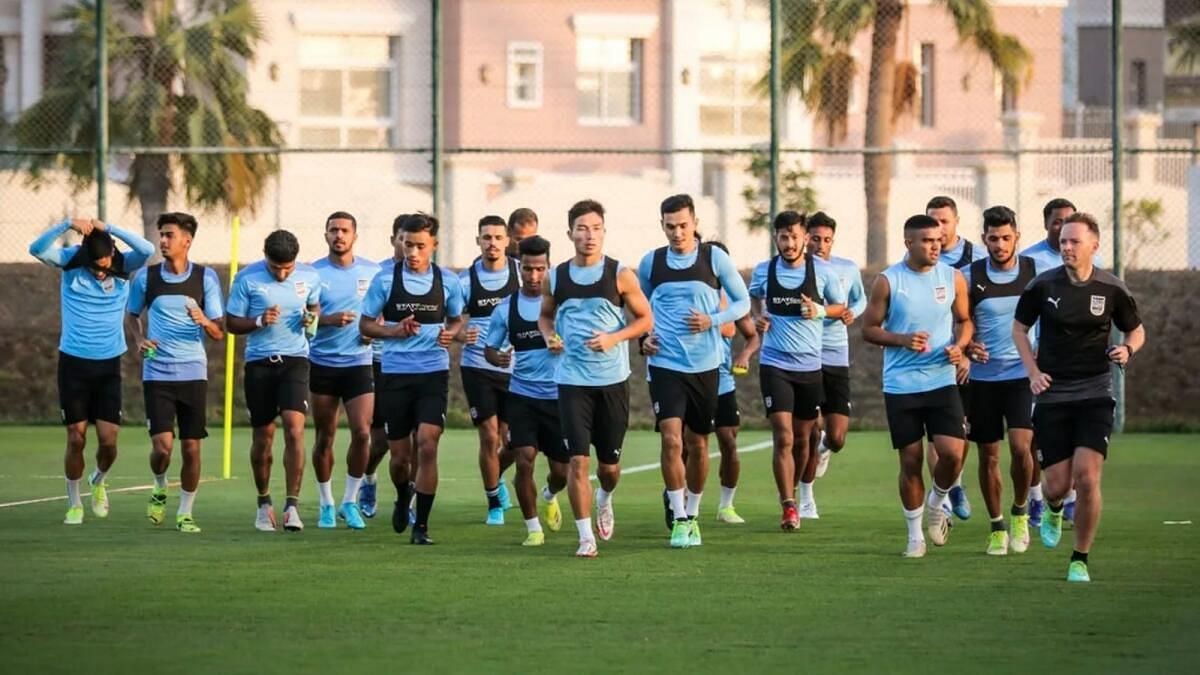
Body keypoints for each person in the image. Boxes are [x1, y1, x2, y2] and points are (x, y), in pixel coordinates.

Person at [1013, 212, 1144, 582]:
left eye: (1074, 241)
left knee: (1087, 477)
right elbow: (1019, 329)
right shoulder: (1043, 286)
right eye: (1063, 241)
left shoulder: (1112, 288)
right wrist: (1033, 372)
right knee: (1057, 485)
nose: (1066, 247)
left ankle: (1079, 559)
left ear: (1094, 246)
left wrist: (1128, 350)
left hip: (1094, 392)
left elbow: (1136, 330)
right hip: (1053, 395)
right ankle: (1054, 507)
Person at [538, 199, 653, 558]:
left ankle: (605, 497)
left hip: (612, 381)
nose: (589, 235)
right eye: (582, 228)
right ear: (569, 232)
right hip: (571, 380)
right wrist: (549, 336)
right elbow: (545, 316)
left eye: (596, 228)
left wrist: (614, 338)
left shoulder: (620, 274)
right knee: (578, 461)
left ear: (604, 231)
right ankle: (585, 537)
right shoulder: (555, 276)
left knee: (609, 468)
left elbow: (645, 320)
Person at [637, 194, 750, 548]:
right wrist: (644, 337)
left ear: (695, 222)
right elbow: (639, 308)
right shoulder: (651, 263)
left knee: (697, 443)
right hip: (665, 365)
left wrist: (712, 320)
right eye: (670, 226)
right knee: (671, 438)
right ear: (662, 226)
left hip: (706, 365)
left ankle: (694, 511)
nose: (677, 233)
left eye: (683, 225)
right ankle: (680, 520)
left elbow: (743, 302)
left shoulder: (713, 258)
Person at [30, 217, 154, 525]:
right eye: (96, 265)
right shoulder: (72, 262)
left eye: (105, 264)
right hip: (73, 363)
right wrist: (68, 224)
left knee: (109, 442)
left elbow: (147, 248)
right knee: (76, 438)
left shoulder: (123, 264)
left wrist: (108, 227)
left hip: (108, 364)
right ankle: (74, 503)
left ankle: (98, 480)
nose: (102, 270)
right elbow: (36, 249)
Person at [862, 214, 973, 558]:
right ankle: (914, 536)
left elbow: (964, 321)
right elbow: (869, 329)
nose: (935, 245)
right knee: (910, 461)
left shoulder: (952, 278)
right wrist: (902, 339)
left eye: (938, 239)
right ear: (908, 243)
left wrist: (961, 346)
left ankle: (937, 501)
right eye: (927, 240)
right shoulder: (889, 281)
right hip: (901, 385)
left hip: (941, 380)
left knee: (953, 454)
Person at [359, 213, 465, 545]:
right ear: (400, 242)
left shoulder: (448, 281)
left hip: (433, 374)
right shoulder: (384, 280)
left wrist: (452, 333)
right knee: (400, 458)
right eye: (408, 244)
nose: (413, 252)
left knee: (428, 444)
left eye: (420, 245)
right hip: (395, 375)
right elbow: (365, 325)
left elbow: (458, 319)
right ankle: (404, 494)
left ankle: (422, 526)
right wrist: (393, 330)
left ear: (433, 245)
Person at [126, 212, 224, 533]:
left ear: (187, 241)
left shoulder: (205, 278)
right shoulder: (146, 278)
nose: (163, 241)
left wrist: (204, 321)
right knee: (162, 447)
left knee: (192, 447)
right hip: (157, 373)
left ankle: (185, 512)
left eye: (169, 235)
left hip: (193, 373)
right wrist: (140, 339)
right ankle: (158, 486)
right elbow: (132, 316)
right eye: (162, 235)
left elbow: (219, 332)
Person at [749, 211, 847, 530]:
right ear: (775, 238)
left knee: (805, 439)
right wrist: (758, 318)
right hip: (774, 364)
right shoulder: (764, 271)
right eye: (783, 237)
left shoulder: (822, 271)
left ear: (805, 237)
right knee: (784, 436)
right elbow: (753, 302)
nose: (789, 243)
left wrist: (819, 310)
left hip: (809, 367)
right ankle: (788, 505)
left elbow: (840, 308)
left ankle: (801, 491)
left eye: (794, 237)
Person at [226, 230, 322, 532]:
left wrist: (311, 320)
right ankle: (263, 502)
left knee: (295, 429)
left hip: (294, 360)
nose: (282, 274)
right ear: (265, 257)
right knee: (264, 436)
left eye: (288, 268)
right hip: (259, 364)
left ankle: (292, 507)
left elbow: (315, 308)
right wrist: (258, 321)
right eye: (276, 267)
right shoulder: (246, 279)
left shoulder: (310, 276)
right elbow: (230, 323)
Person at [1020, 197, 1100, 527]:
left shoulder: (1093, 263)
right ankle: (1041, 497)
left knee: (1080, 437)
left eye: (1069, 226)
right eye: (1057, 223)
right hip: (1038, 361)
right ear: (1047, 224)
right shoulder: (1030, 261)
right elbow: (1021, 314)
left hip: (1079, 367)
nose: (1062, 232)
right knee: (1033, 435)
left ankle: (1069, 498)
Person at [484, 235, 568, 546]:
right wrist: (498, 356)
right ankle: (533, 528)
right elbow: (489, 349)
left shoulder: (562, 305)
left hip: (559, 396)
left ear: (549, 267)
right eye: (529, 269)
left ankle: (549, 494)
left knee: (561, 471)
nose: (534, 276)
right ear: (520, 268)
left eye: (540, 269)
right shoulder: (506, 309)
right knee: (524, 458)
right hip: (522, 395)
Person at [963, 206, 1037, 555]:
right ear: (984, 240)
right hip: (983, 378)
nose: (1000, 244)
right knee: (988, 455)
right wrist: (967, 344)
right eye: (993, 238)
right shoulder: (968, 276)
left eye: (1006, 237)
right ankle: (996, 527)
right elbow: (959, 321)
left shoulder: (1036, 274)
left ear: (1016, 237)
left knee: (1023, 447)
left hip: (1023, 375)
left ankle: (1020, 511)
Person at [309, 211, 380, 530]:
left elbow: (382, 315)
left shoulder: (372, 272)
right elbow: (302, 320)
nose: (339, 235)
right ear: (325, 235)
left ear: (355, 235)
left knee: (363, 433)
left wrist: (372, 331)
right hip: (322, 363)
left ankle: (350, 501)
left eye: (344, 230)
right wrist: (326, 320)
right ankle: (326, 503)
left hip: (359, 362)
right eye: (333, 230)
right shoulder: (312, 274)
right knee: (325, 436)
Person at [926, 195, 986, 521]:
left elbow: (980, 312)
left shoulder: (976, 259)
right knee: (936, 436)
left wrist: (967, 353)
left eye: (944, 221)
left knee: (964, 435)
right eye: (932, 221)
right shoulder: (917, 258)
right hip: (933, 362)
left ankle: (954, 485)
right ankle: (945, 498)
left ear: (957, 221)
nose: (938, 228)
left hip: (967, 358)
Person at [459, 215, 519, 525]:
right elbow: (451, 322)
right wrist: (459, 334)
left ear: (508, 241)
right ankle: (493, 500)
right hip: (477, 366)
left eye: (498, 237)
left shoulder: (521, 275)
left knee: (512, 440)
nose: (492, 243)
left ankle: (497, 477)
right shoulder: (466, 280)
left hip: (514, 369)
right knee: (488, 434)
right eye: (486, 237)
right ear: (478, 240)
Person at [803, 211, 867, 494]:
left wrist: (854, 311)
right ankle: (805, 496)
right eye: (815, 239)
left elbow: (859, 298)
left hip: (836, 352)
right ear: (806, 238)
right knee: (810, 425)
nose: (820, 245)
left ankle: (825, 448)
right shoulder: (797, 269)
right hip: (806, 351)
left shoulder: (847, 268)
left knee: (837, 437)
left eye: (826, 240)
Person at [709, 241, 760, 524]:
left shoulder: (734, 298)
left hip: (722, 382)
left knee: (729, 441)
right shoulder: (689, 294)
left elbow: (752, 336)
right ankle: (677, 498)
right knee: (689, 445)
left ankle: (726, 506)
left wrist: (744, 355)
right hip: (690, 380)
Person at [360, 218, 407, 519]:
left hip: (419, 367)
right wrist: (377, 329)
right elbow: (365, 326)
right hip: (381, 363)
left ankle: (408, 503)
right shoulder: (379, 275)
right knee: (380, 442)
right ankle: (368, 479)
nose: (410, 246)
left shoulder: (436, 279)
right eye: (404, 239)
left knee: (418, 442)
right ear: (394, 240)